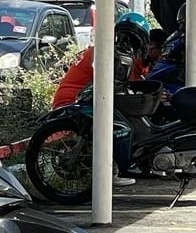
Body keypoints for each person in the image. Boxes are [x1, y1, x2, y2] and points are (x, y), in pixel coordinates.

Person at [52, 12, 154, 186]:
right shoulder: (117, 56)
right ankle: (115, 170)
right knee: (123, 128)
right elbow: (130, 84)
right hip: (77, 101)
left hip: (74, 99)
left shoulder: (107, 50)